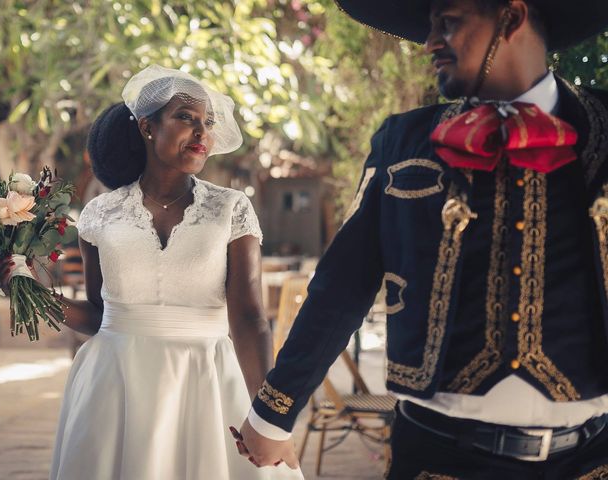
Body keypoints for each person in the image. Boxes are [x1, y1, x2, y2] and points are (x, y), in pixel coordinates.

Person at [238, 1, 608, 478]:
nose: (431, 41)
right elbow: (343, 286)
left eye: (448, 22)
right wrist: (273, 412)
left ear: (512, 18)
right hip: (437, 461)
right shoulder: (402, 140)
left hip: (589, 462)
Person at [48, 64, 303, 479]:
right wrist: (33, 295)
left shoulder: (230, 208)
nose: (201, 132)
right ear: (147, 127)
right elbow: (98, 314)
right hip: (116, 382)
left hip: (208, 378)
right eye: (186, 117)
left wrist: (268, 415)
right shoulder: (99, 214)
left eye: (208, 122)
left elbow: (250, 317)